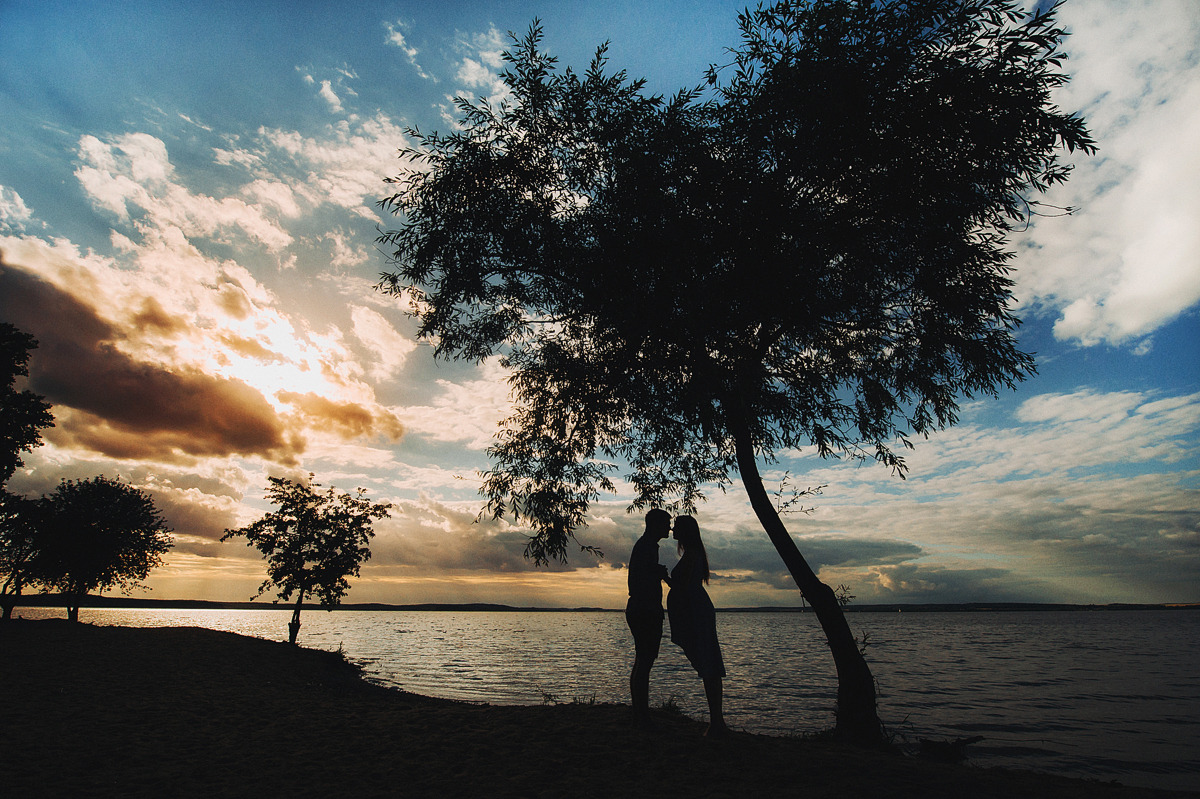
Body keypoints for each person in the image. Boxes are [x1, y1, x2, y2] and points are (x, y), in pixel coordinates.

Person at [667, 514, 728, 736]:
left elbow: (682, 585)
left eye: (676, 527)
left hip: (695, 612)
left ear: (685, 532)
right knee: (706, 662)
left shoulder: (692, 554)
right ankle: (717, 721)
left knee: (708, 662)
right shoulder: (693, 553)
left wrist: (664, 578)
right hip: (693, 611)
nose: (672, 530)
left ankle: (717, 722)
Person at [626, 508, 672, 722]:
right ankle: (641, 713)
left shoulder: (647, 546)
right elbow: (643, 575)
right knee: (645, 661)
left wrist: (656, 571)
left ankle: (639, 711)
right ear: (656, 525)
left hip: (641, 608)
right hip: (645, 609)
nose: (669, 528)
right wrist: (658, 572)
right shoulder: (647, 546)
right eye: (666, 524)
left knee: (642, 660)